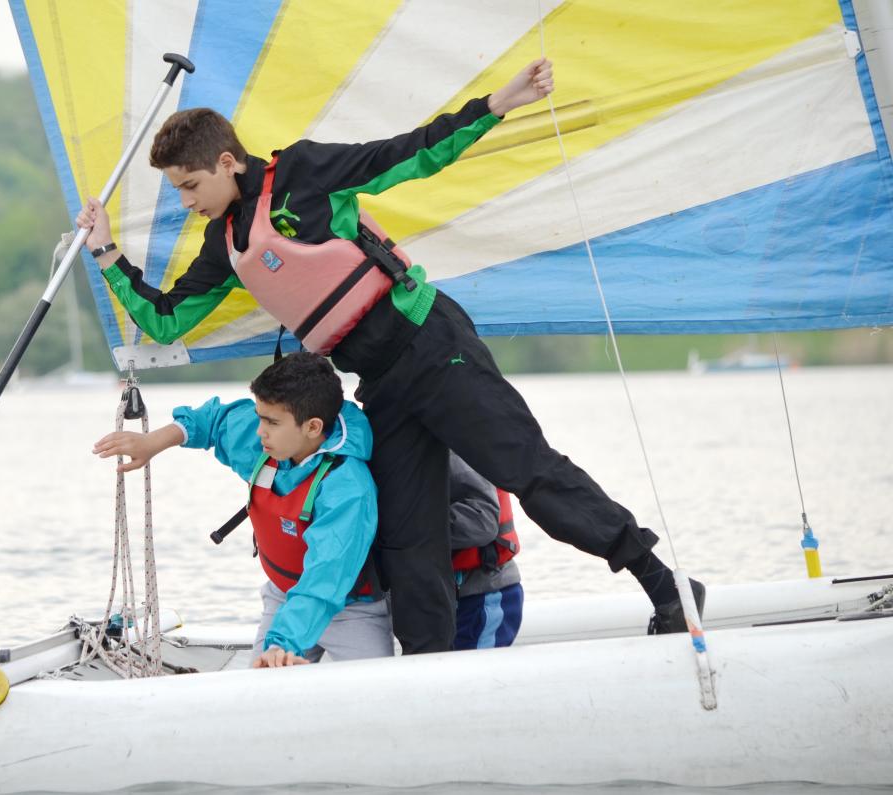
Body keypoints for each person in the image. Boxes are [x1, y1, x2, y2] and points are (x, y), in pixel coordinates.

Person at [77, 59, 703, 653]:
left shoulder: (300, 173)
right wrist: (105, 251)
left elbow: (404, 155)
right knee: (407, 540)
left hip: (432, 343)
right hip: (381, 381)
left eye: (190, 185)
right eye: (178, 191)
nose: (187, 201)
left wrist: (497, 104)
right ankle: (429, 668)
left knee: (528, 472)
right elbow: (166, 319)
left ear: (225, 161)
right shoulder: (225, 243)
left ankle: (666, 586)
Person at [93, 353, 392, 668]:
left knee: (378, 691)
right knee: (259, 685)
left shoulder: (348, 488)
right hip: (283, 596)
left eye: (271, 422)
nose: (260, 431)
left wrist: (281, 644)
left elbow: (326, 577)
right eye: (260, 417)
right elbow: (212, 420)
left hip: (350, 608)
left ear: (313, 427)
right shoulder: (269, 437)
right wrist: (153, 442)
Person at [448, 453, 524, 650]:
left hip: (485, 594)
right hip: (453, 594)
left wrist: (415, 527)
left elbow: (484, 521)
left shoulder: (457, 448)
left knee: (474, 670)